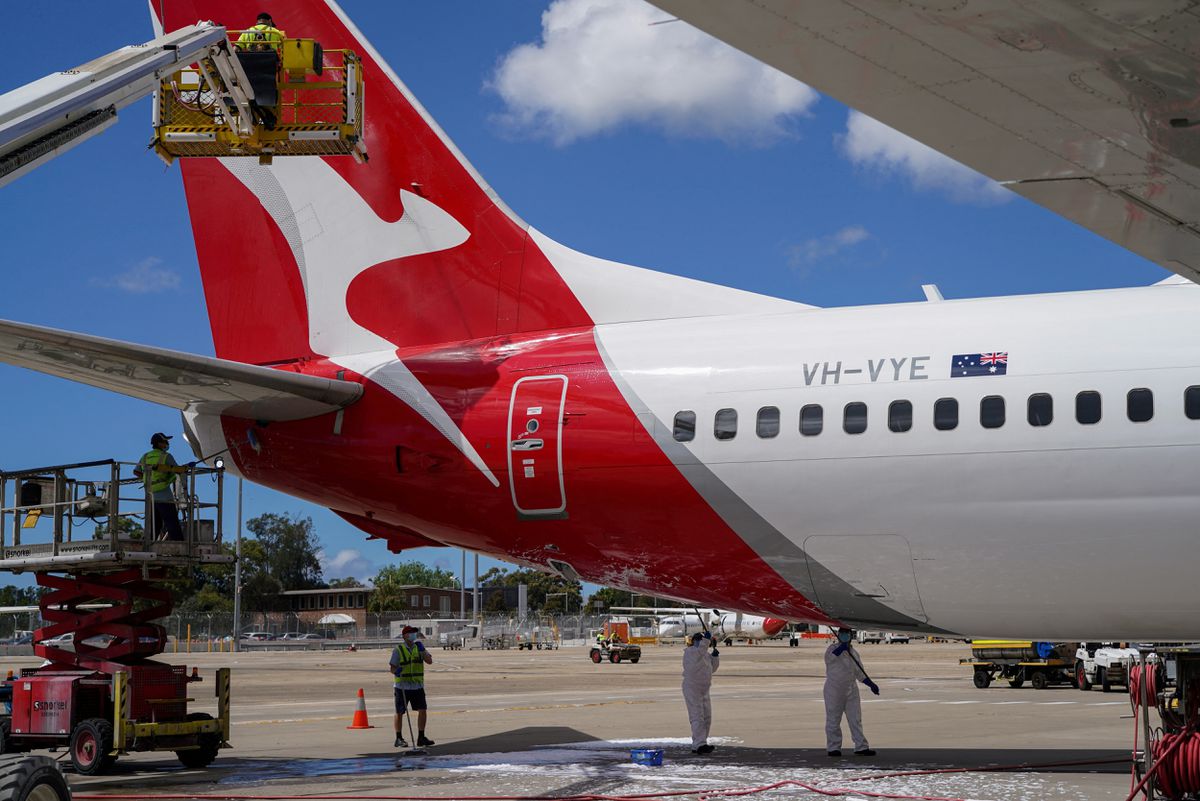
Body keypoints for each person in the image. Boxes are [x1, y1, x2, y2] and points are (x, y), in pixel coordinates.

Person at [824, 627, 878, 757]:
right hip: (834, 690)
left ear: (850, 635)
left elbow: (860, 674)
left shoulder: (854, 653)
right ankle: (833, 747)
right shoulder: (831, 649)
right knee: (833, 720)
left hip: (851, 690)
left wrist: (871, 684)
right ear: (838, 635)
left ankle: (861, 746)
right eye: (842, 633)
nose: (844, 635)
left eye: (847, 633)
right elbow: (830, 659)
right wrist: (841, 648)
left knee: (855, 719)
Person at [135, 432, 193, 542]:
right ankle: (178, 544)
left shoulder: (145, 456)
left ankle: (148, 544)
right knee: (172, 522)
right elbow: (177, 470)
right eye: (165, 441)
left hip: (150, 496)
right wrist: (186, 467)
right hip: (164, 496)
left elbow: (136, 471)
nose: (167, 444)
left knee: (154, 524)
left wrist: (147, 478)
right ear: (160, 444)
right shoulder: (166, 456)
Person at [390, 626, 435, 748]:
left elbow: (429, 661)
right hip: (402, 686)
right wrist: (396, 671)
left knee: (422, 710)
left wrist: (423, 651)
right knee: (399, 712)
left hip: (417, 685)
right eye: (411, 633)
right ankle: (398, 738)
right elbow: (392, 668)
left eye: (414, 633)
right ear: (405, 635)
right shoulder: (398, 650)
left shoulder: (419, 648)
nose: (413, 635)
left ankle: (421, 737)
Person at [681, 630, 720, 755]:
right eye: (699, 640)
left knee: (707, 717)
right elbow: (700, 651)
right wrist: (707, 641)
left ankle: (701, 742)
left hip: (704, 689)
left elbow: (711, 669)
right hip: (692, 688)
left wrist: (715, 657)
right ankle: (699, 744)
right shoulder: (691, 652)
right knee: (697, 716)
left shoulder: (704, 654)